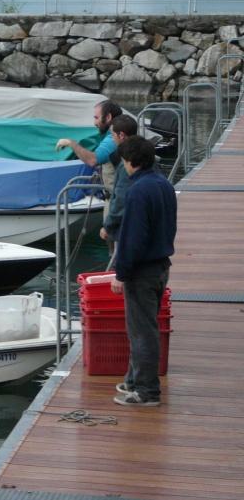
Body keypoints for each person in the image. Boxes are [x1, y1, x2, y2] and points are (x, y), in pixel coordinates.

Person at [111, 136, 177, 407]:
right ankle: (134, 380)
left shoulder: (138, 192)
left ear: (131, 162)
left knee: (142, 332)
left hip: (143, 271)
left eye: (124, 162)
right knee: (143, 328)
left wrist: (121, 273)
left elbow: (133, 239)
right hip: (161, 265)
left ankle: (147, 392)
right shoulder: (164, 184)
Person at [55, 100, 123, 193]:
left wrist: (71, 143)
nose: (94, 123)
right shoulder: (118, 132)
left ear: (108, 117)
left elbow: (93, 160)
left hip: (116, 197)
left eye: (96, 117)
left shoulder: (113, 138)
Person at [99, 114, 138, 249]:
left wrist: (108, 226)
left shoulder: (126, 162)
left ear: (121, 135)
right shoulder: (145, 153)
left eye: (112, 134)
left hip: (127, 220)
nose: (111, 138)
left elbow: (121, 197)